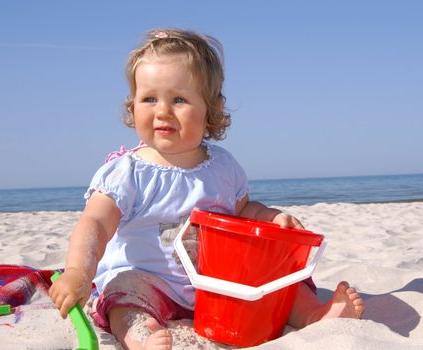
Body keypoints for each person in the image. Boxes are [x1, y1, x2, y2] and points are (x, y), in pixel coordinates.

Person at [49, 28, 364, 350]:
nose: (162, 110)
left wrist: (271, 216)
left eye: (179, 99)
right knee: (124, 295)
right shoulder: (127, 172)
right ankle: (140, 335)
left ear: (210, 109)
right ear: (132, 107)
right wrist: (78, 271)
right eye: (149, 99)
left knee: (275, 279)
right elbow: (96, 224)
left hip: (217, 284)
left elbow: (243, 210)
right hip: (149, 279)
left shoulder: (222, 167)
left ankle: (315, 316)